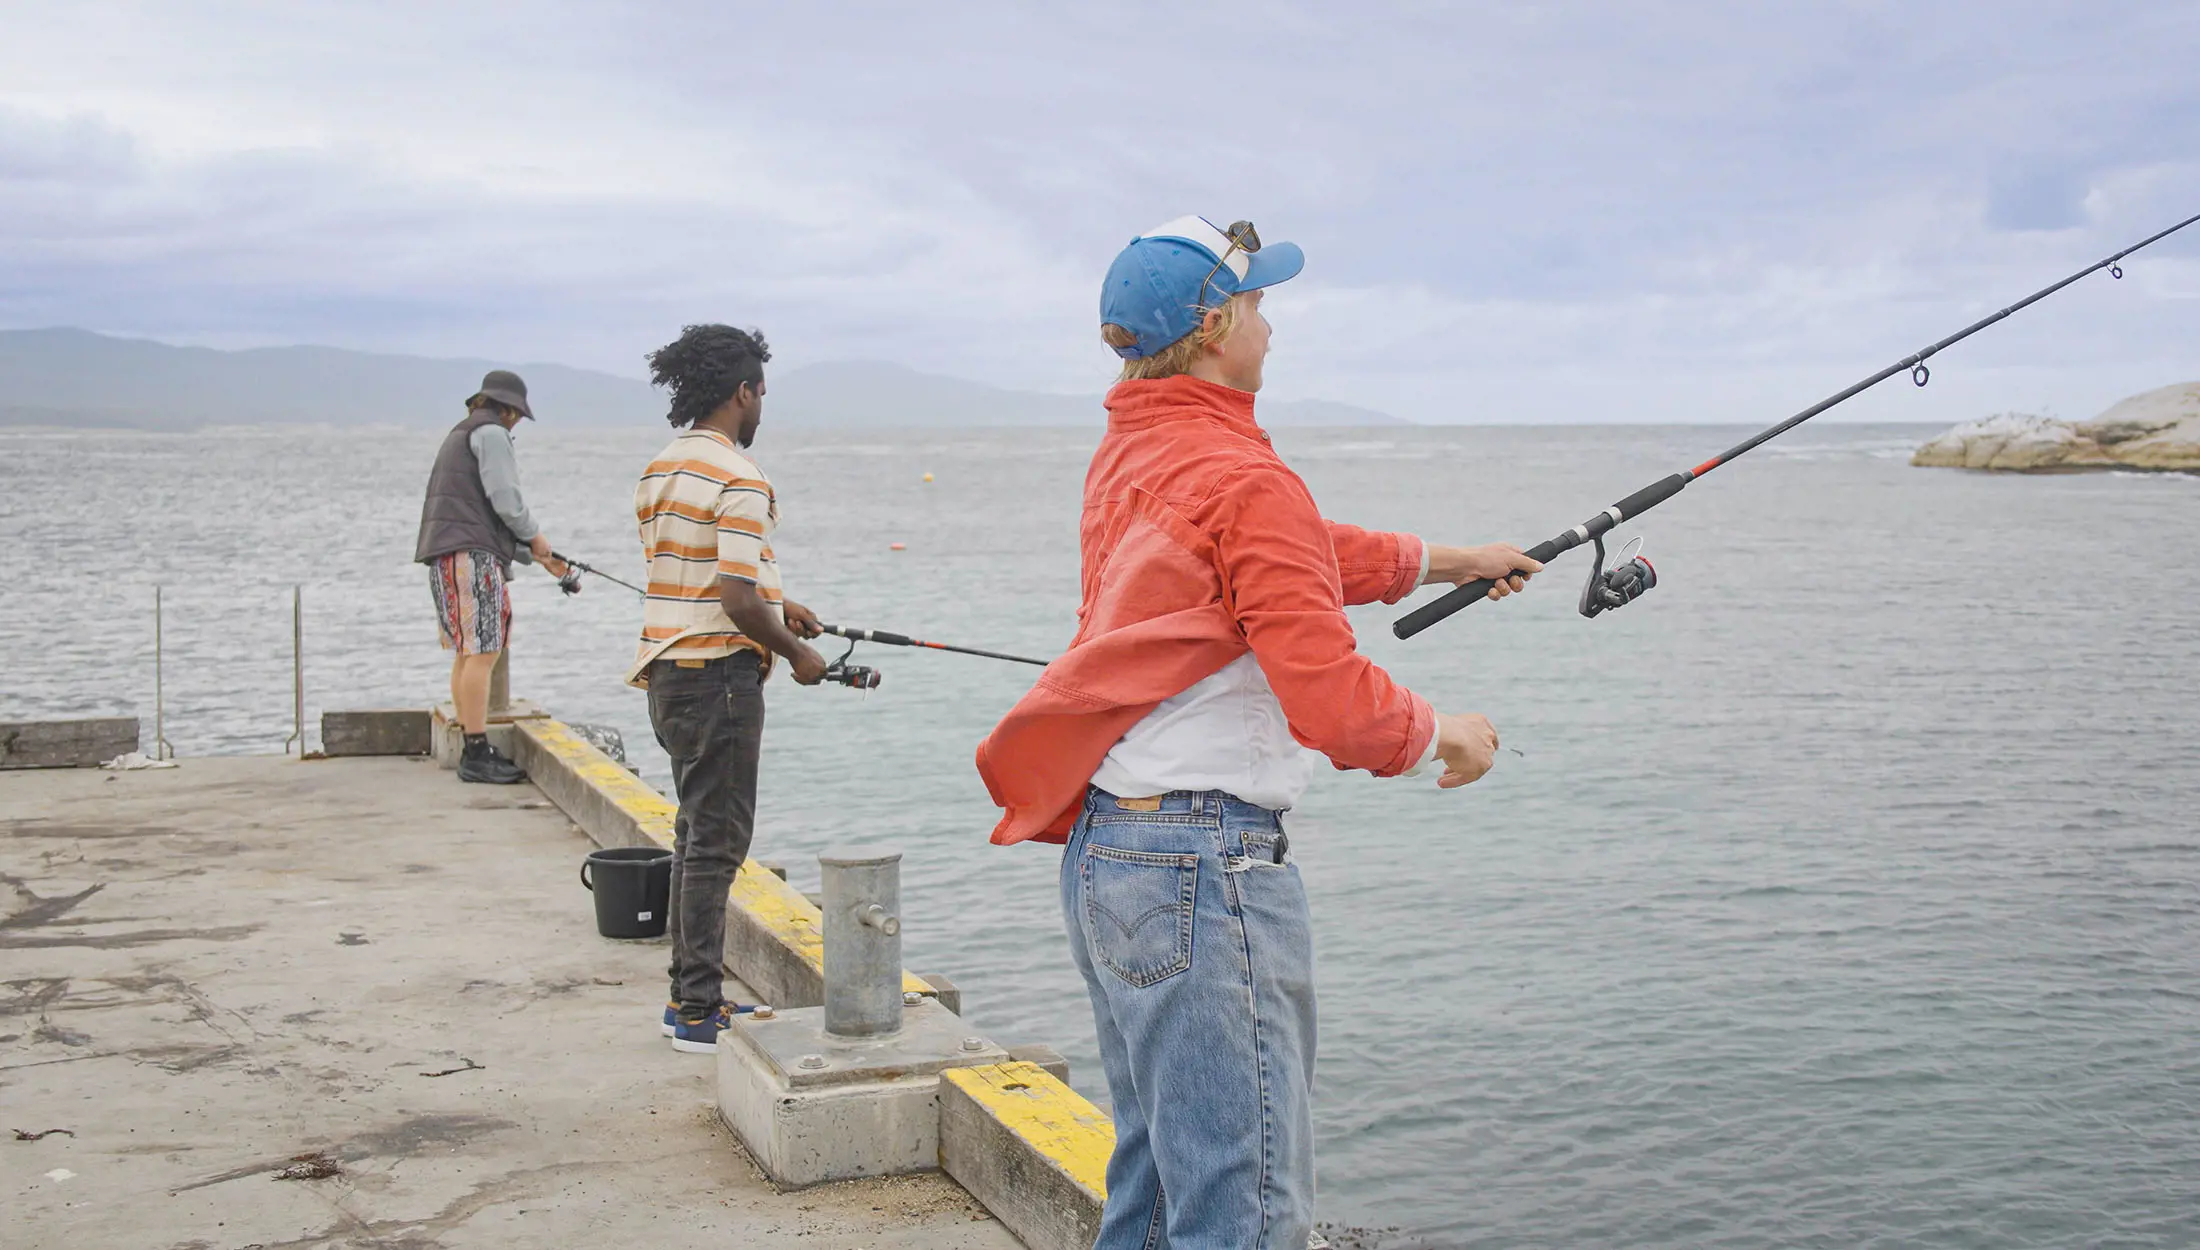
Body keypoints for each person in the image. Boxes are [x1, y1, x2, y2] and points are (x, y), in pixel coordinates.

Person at [976, 217, 1544, 1249]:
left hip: (1115, 850)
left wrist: (1445, 558)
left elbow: (1287, 546)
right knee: (1246, 1203)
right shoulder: (1243, 474)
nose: (1272, 327)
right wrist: (1444, 733)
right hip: (1208, 867)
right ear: (1214, 324)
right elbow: (1329, 698)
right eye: (1260, 306)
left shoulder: (1138, 449)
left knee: (1154, 1181)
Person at [626, 324, 829, 1054]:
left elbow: (698, 575)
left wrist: (781, 601)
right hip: (720, 681)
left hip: (668, 679)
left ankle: (688, 996)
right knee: (716, 845)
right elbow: (735, 601)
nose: (762, 407)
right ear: (743, 392)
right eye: (762, 393)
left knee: (693, 836)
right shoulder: (741, 477)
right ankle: (697, 1014)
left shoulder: (661, 468)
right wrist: (797, 652)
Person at [414, 369, 567, 785]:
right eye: (516, 415)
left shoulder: (460, 433)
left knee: (467, 652)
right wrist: (535, 535)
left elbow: (475, 514)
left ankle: (471, 745)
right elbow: (506, 500)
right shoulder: (492, 433)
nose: (515, 423)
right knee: (484, 650)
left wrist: (537, 556)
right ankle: (477, 753)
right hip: (470, 558)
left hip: (445, 554)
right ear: (509, 410)